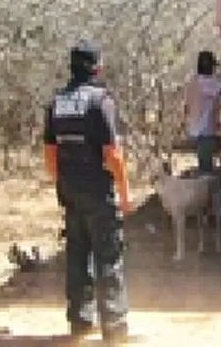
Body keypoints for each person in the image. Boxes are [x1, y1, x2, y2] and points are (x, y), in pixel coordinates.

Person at [43, 40, 130, 342]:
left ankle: (80, 322)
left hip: (70, 191)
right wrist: (124, 191)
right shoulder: (100, 100)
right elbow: (112, 153)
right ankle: (115, 328)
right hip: (98, 191)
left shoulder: (57, 102)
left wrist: (62, 184)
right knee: (109, 257)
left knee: (77, 256)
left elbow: (50, 153)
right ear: (96, 67)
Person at [184, 51, 221, 174]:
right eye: (212, 66)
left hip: (195, 130)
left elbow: (186, 107)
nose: (213, 69)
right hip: (205, 131)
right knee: (207, 169)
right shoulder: (209, 83)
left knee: (204, 164)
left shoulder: (193, 81)